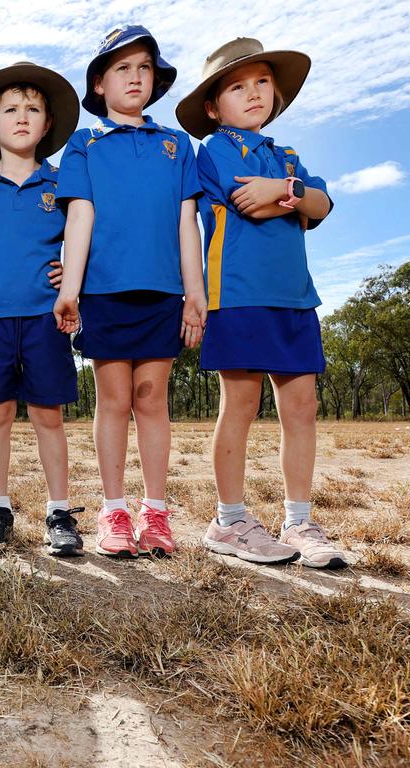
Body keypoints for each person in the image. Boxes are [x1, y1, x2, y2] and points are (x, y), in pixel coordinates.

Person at [176, 37, 347, 568]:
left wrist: (287, 190)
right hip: (240, 296)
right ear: (213, 106)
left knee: (302, 408)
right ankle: (229, 520)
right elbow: (249, 202)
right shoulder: (217, 150)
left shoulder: (286, 155)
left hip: (295, 298)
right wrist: (296, 199)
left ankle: (299, 521)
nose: (253, 93)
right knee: (242, 406)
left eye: (262, 82)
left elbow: (324, 203)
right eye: (236, 85)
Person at [53, 26, 206, 559]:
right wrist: (70, 288)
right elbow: (80, 215)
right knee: (114, 399)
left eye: (144, 67)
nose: (135, 76)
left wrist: (195, 292)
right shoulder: (84, 144)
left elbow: (189, 221)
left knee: (151, 399)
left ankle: (157, 513)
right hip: (104, 292)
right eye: (122, 68)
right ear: (99, 85)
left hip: (164, 291)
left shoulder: (176, 144)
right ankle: (113, 509)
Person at [0, 62, 84, 556]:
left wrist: (73, 273)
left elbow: (84, 237)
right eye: (10, 109)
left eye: (33, 109)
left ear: (47, 124)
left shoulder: (62, 183)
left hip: (46, 317)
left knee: (49, 415)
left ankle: (59, 511)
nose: (21, 117)